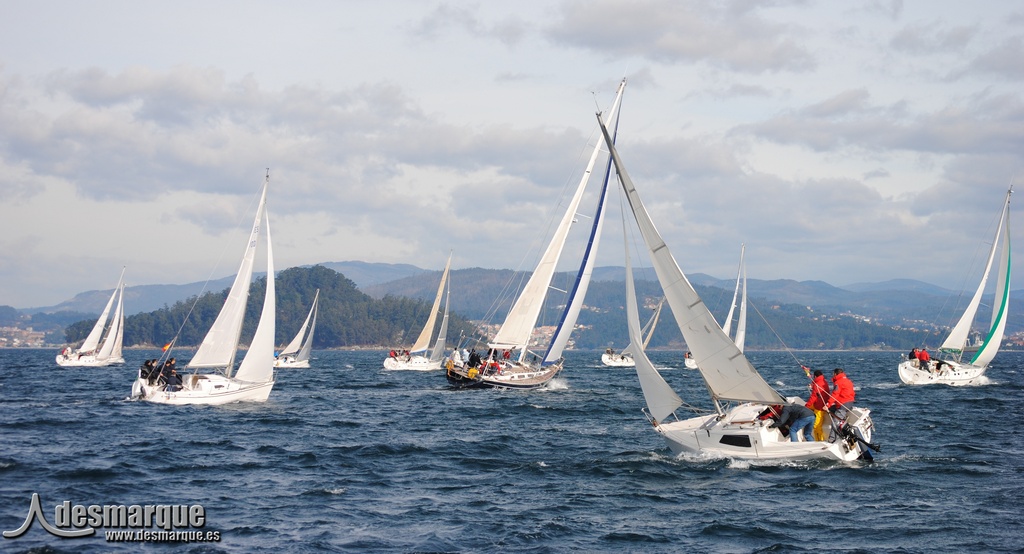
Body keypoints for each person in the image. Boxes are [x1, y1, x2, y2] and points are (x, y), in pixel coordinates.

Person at [806, 369, 830, 441]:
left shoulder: (817, 385)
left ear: (815, 376)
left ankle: (819, 440)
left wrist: (806, 406)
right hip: (822, 403)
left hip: (819, 407)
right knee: (809, 408)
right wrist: (812, 385)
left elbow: (814, 397)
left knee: (816, 426)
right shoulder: (823, 381)